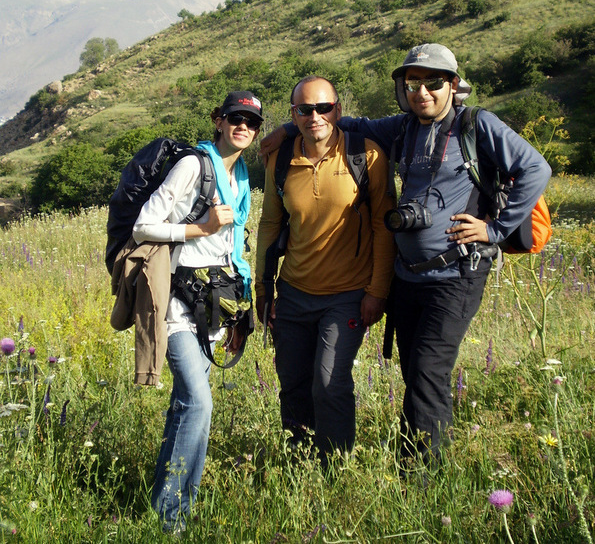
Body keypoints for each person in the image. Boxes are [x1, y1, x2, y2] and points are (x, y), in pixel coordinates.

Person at [260, 45, 551, 466]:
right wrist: (289, 131)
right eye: (413, 83)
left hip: (456, 274)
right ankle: (394, 464)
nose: (422, 92)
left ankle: (419, 478)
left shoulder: (476, 125)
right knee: (412, 374)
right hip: (408, 276)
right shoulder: (403, 127)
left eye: (434, 83)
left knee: (427, 376)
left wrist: (495, 229)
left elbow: (536, 169)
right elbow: (342, 121)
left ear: (453, 85)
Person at [132, 90, 263, 533]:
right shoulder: (194, 165)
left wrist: (241, 308)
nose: (243, 126)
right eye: (235, 117)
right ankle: (169, 518)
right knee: (199, 402)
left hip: (213, 302)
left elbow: (231, 244)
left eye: (252, 121)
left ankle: (176, 507)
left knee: (185, 408)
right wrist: (201, 226)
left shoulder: (240, 173)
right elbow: (143, 225)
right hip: (176, 300)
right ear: (218, 120)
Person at [255, 76, 395, 463]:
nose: (314, 116)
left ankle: (334, 469)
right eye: (304, 109)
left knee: (330, 384)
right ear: (294, 115)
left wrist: (377, 291)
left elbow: (384, 224)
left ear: (337, 109)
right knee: (293, 383)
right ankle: (301, 464)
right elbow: (269, 224)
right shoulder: (280, 160)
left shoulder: (365, 156)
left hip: (347, 296)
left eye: (323, 108)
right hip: (294, 293)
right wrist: (263, 292)